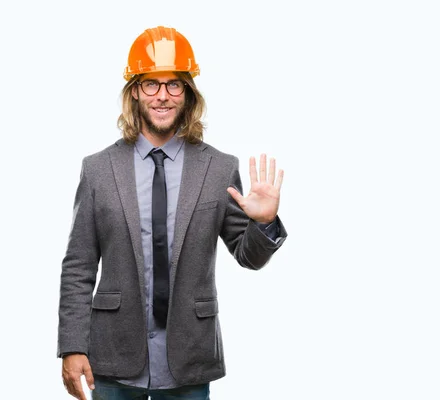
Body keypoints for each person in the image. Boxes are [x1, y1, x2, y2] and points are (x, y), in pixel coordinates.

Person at [57, 26, 287, 400]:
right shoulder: (98, 169)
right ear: (135, 92)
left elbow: (247, 257)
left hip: (189, 356)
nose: (162, 96)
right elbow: (79, 265)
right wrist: (72, 346)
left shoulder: (218, 168)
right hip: (113, 356)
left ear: (188, 94)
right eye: (151, 84)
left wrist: (262, 224)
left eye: (174, 85)